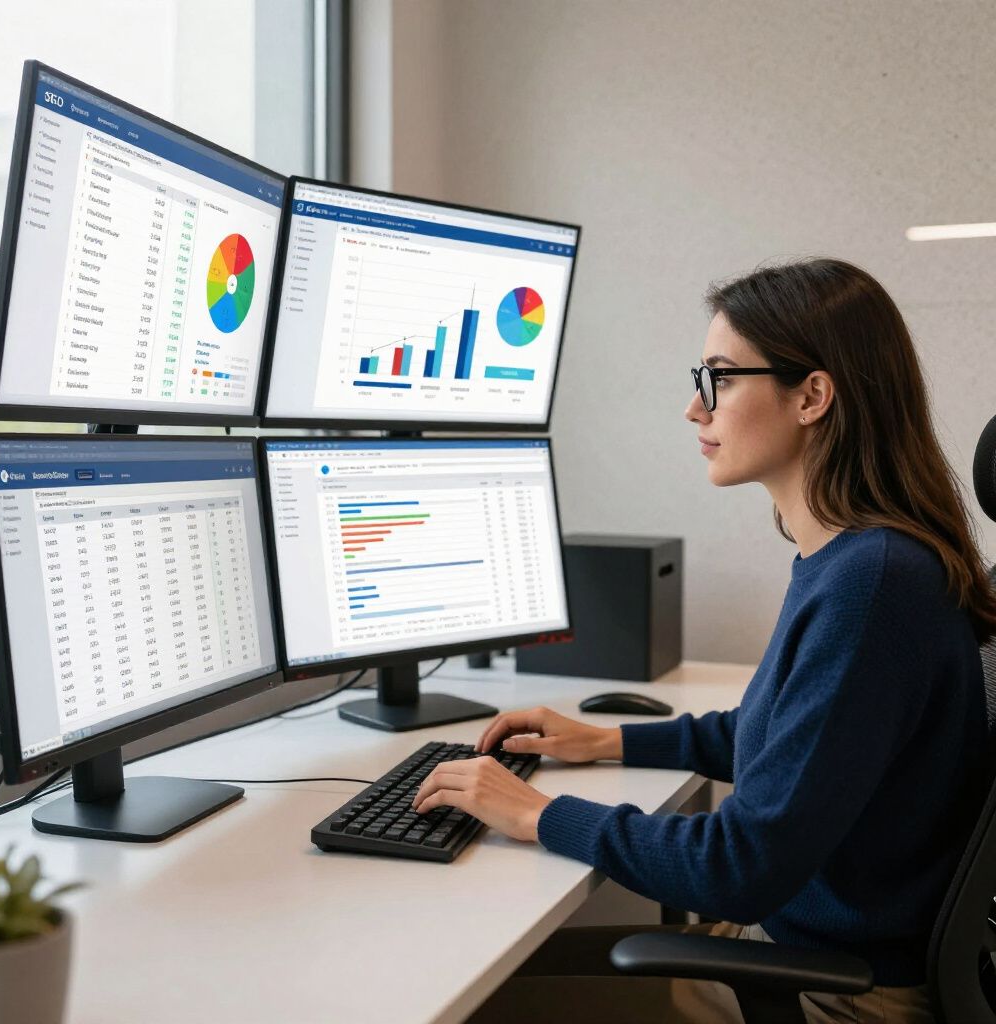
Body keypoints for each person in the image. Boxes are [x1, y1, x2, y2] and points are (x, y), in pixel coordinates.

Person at [412, 258, 996, 1024]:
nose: (695, 407)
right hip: (817, 954)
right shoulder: (862, 558)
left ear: (813, 396)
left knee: (482, 1001)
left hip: (840, 994)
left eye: (719, 377)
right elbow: (793, 743)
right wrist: (607, 742)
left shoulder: (872, 584)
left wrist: (533, 813)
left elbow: (740, 867)